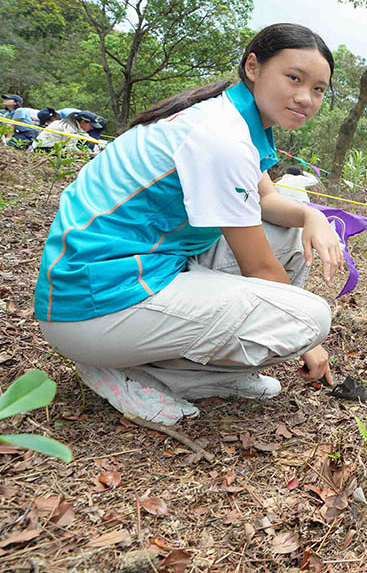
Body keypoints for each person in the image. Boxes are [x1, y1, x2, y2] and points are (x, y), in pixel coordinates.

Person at [33, 23, 343, 426]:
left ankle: (201, 374)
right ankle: (128, 370)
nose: (306, 98)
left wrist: (312, 215)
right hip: (92, 303)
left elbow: (266, 200)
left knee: (288, 234)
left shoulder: (232, 117)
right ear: (253, 67)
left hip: (137, 266)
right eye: (294, 78)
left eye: (318, 89)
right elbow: (260, 269)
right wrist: (310, 344)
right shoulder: (222, 138)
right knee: (308, 318)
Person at [34, 110, 107, 152]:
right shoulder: (69, 127)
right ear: (84, 121)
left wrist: (100, 144)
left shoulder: (75, 125)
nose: (91, 128)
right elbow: (71, 149)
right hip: (43, 149)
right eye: (91, 125)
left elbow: (86, 136)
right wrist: (93, 154)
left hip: (51, 148)